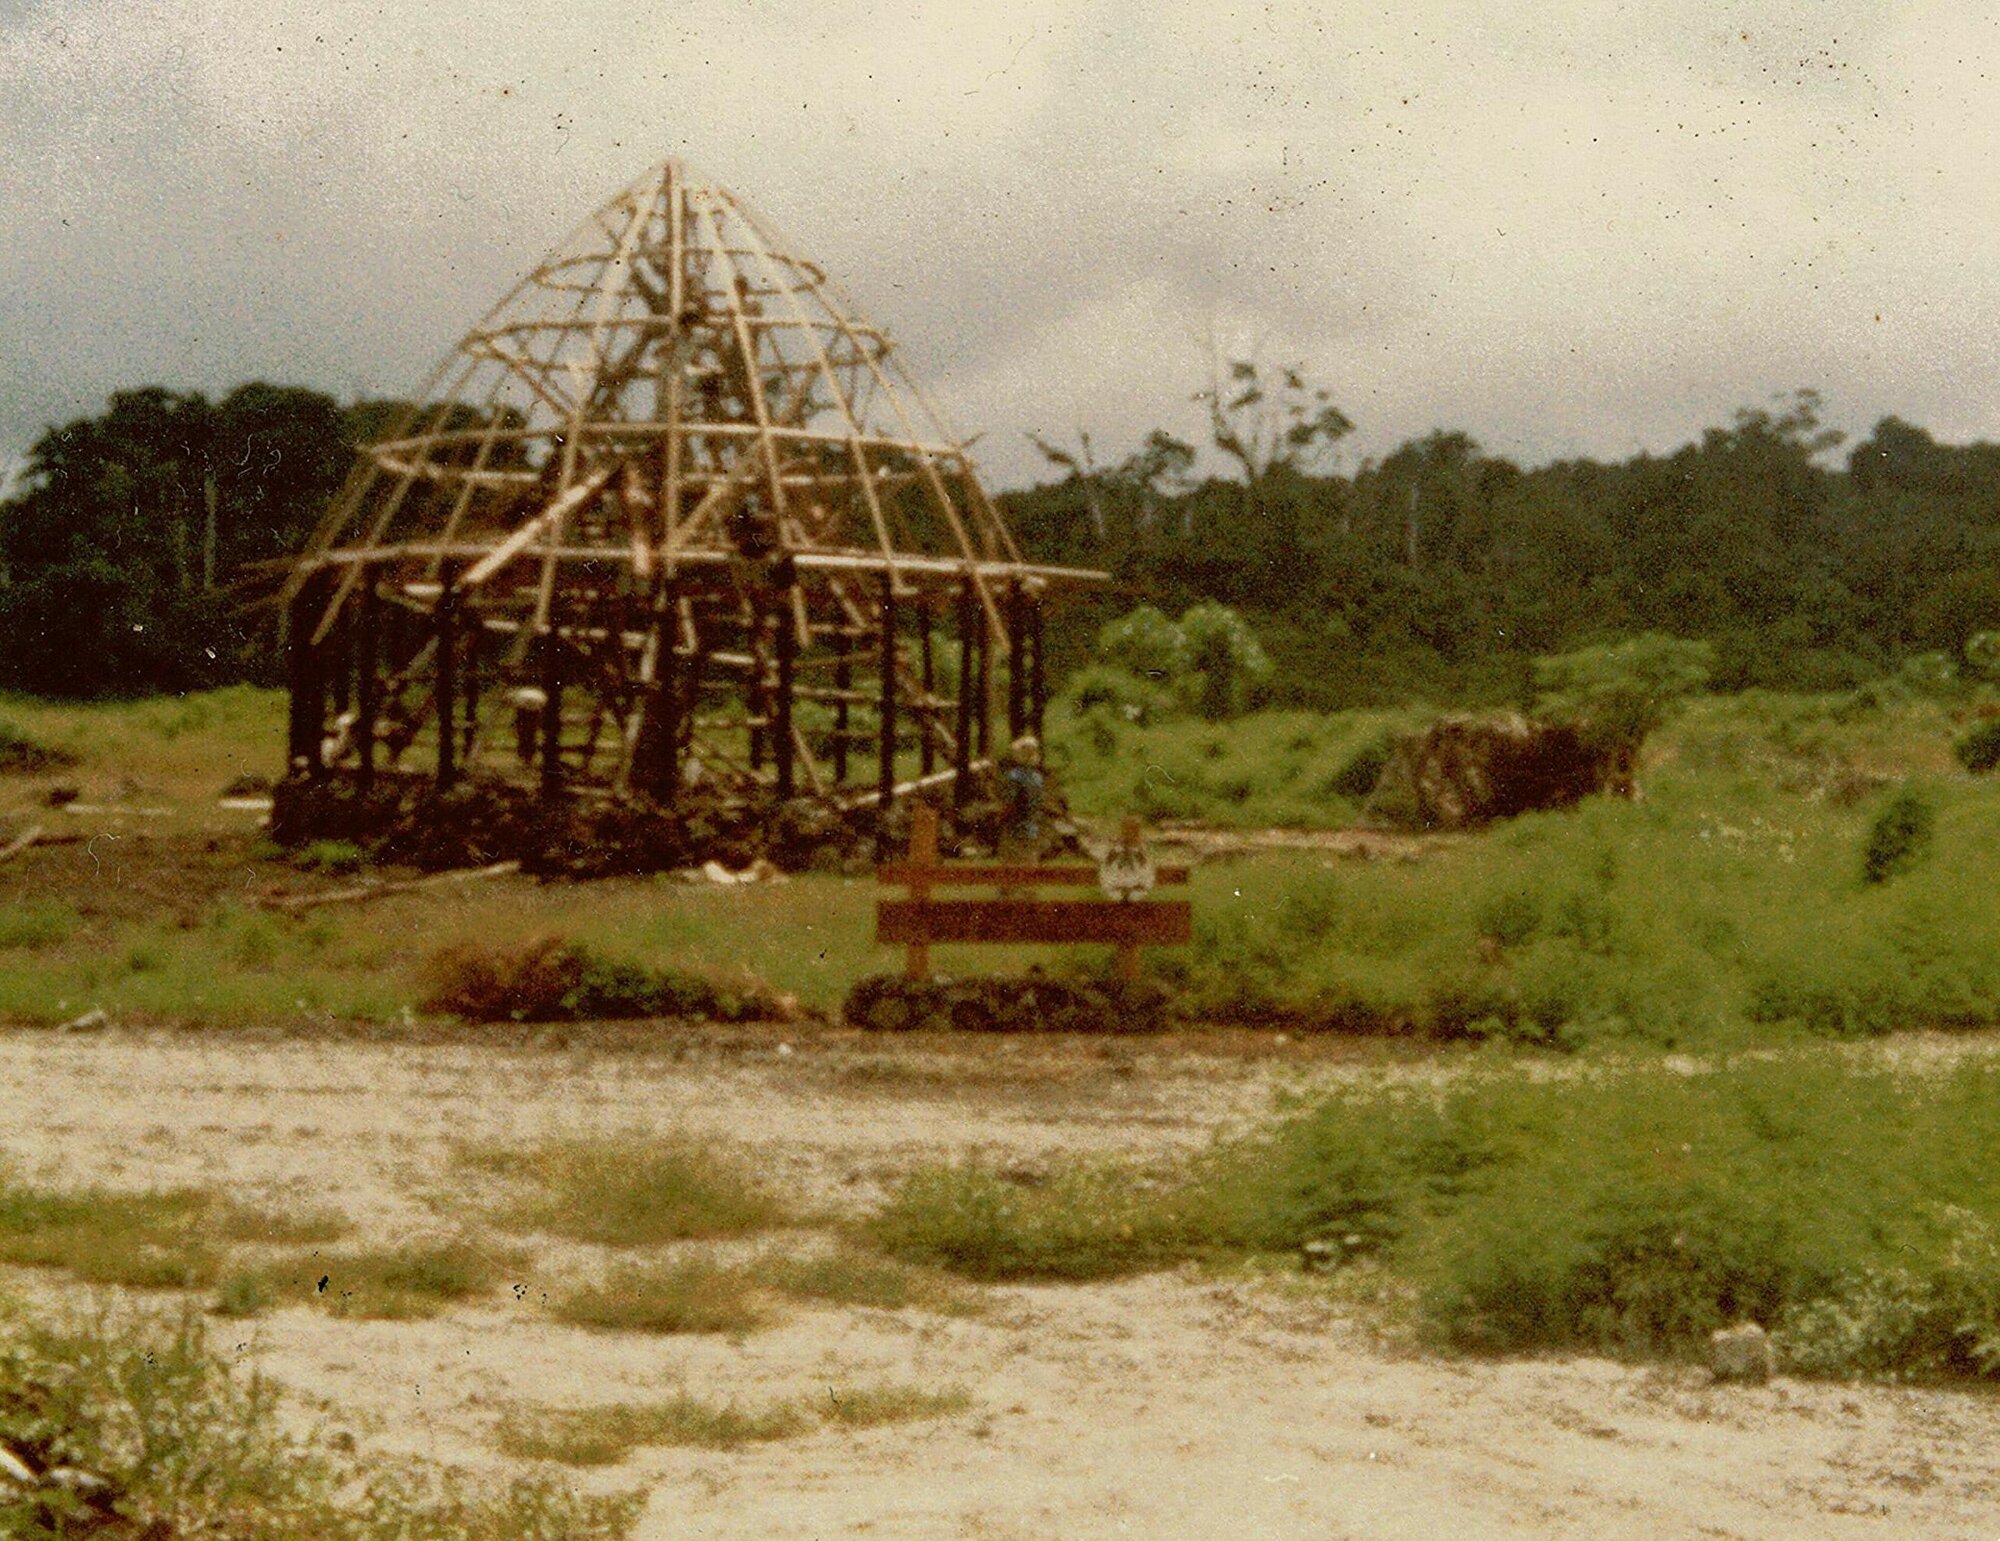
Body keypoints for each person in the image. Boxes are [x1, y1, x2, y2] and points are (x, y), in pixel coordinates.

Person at [997, 734, 1047, 865]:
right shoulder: (1038, 778)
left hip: (1014, 827)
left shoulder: (1014, 776)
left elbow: (1010, 802)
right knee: (1029, 862)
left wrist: (1000, 818)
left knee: (1011, 865)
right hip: (1032, 827)